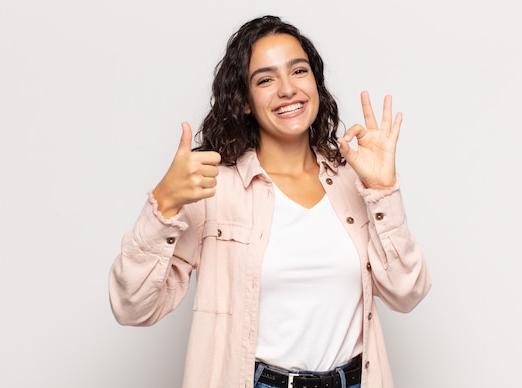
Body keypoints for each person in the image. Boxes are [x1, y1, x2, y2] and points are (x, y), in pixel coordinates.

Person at [109, 15, 431, 388]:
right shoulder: (214, 189)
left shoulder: (352, 180)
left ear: (315, 83)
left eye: (298, 71)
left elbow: (407, 293)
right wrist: (163, 204)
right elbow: (132, 306)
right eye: (265, 79)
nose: (287, 89)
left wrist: (383, 189)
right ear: (244, 102)